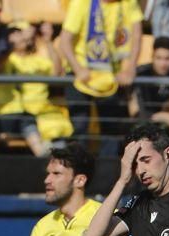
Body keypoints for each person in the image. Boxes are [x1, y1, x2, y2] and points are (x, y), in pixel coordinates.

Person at [59, 0, 143, 154]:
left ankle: (107, 169)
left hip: (110, 78)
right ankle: (78, 168)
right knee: (79, 130)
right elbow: (65, 40)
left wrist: (130, 69)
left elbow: (137, 34)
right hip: (81, 77)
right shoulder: (81, 3)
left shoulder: (128, 2)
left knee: (111, 131)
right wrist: (78, 69)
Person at [0, 22, 72, 157]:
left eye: (21, 33)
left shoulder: (37, 61)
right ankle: (42, 153)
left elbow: (57, 73)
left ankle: (56, 161)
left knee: (58, 126)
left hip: (40, 113)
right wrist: (14, 42)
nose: (21, 36)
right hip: (8, 114)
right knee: (27, 120)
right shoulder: (6, 58)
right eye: (15, 33)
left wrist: (48, 41)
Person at [132, 36, 169, 137]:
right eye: (159, 58)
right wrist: (163, 116)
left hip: (165, 124)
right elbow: (134, 112)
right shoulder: (140, 74)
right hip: (140, 126)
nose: (163, 63)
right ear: (152, 56)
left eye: (167, 59)